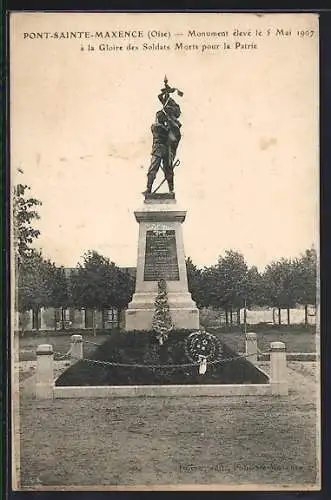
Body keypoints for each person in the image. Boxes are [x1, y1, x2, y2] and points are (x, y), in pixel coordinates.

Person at [145, 111, 174, 194]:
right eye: (161, 117)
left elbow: (171, 136)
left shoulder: (163, 127)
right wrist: (168, 120)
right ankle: (149, 189)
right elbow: (166, 130)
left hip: (163, 150)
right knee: (153, 170)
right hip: (159, 150)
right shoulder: (156, 126)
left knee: (168, 170)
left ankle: (171, 190)